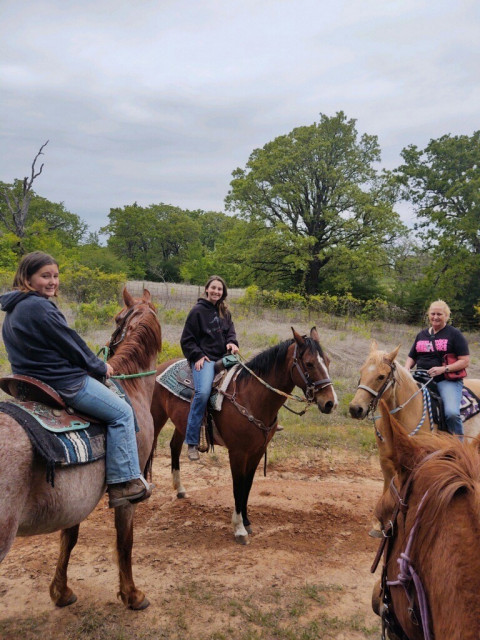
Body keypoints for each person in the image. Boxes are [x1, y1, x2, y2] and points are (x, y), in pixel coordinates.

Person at [0, 251, 152, 507]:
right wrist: (98, 366)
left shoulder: (14, 308)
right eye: (44, 276)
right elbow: (70, 342)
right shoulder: (40, 306)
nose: (52, 282)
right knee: (122, 413)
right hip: (65, 382)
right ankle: (124, 482)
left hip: (32, 380)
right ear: (27, 278)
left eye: (56, 276)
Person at [180, 275, 239, 460]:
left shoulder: (225, 312)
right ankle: (192, 441)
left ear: (223, 292)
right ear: (207, 289)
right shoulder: (197, 311)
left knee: (246, 381)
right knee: (203, 393)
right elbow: (187, 339)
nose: (216, 291)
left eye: (219, 289)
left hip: (223, 358)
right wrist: (197, 355)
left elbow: (231, 333)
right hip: (205, 360)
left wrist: (232, 343)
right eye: (213, 288)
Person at [405, 299, 470, 438]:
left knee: (451, 413)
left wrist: (443, 369)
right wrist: (406, 368)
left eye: (439, 314)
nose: (435, 317)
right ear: (428, 315)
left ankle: (459, 447)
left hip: (445, 380)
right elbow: (412, 356)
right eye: (433, 313)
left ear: (446, 316)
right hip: (419, 378)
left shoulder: (454, 334)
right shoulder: (421, 335)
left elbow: (465, 361)